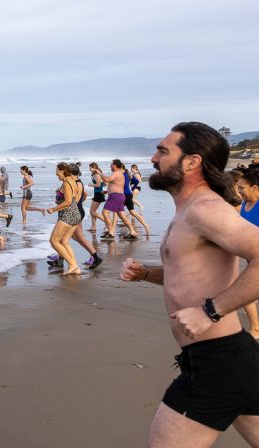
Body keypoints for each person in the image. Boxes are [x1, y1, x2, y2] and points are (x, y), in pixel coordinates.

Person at [120, 122, 259, 447]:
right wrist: (147, 274)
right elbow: (190, 275)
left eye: (163, 151)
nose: (153, 158)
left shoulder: (206, 210)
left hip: (217, 365)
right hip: (232, 358)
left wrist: (212, 310)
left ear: (192, 162)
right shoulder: (188, 211)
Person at [45, 162, 83, 275]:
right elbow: (75, 199)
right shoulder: (72, 181)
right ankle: (76, 269)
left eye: (57, 171)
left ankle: (72, 265)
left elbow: (68, 202)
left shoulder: (67, 182)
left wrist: (54, 209)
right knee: (65, 242)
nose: (56, 174)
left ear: (62, 170)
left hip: (68, 215)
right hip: (75, 214)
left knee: (53, 241)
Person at [235, 169, 259, 338]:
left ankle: (256, 329)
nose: (239, 191)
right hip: (252, 258)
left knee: (245, 293)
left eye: (242, 188)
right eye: (238, 188)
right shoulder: (244, 205)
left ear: (255, 188)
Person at [96, 159, 138, 239]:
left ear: (115, 165)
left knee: (105, 213)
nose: (110, 166)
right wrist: (107, 191)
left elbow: (107, 180)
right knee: (122, 215)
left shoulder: (117, 173)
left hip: (115, 196)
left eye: (111, 164)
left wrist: (100, 174)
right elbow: (116, 185)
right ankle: (133, 232)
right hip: (119, 196)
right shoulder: (120, 174)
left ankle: (111, 232)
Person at [87, 162, 106, 232]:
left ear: (94, 168)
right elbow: (104, 183)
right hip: (98, 194)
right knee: (92, 211)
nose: (89, 169)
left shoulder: (96, 175)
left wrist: (91, 185)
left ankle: (106, 221)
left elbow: (98, 185)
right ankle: (93, 227)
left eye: (90, 168)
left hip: (99, 194)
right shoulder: (97, 174)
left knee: (92, 211)